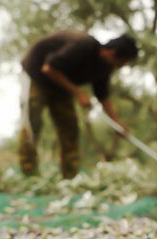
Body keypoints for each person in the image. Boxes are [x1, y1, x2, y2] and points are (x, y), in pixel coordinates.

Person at [18, 31, 138, 179]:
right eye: (120, 63)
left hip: (60, 84)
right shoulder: (83, 46)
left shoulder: (104, 68)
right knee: (32, 123)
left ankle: (70, 177)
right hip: (36, 75)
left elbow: (103, 97)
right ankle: (28, 173)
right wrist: (78, 93)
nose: (119, 67)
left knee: (69, 128)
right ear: (112, 53)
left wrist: (117, 123)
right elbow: (49, 68)